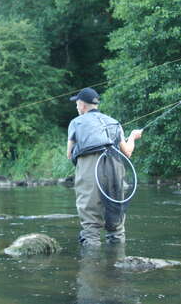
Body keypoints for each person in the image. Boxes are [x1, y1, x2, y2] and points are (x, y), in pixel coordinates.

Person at [67, 87, 143, 247]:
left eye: (76, 104)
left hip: (90, 169)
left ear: (81, 105)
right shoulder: (114, 122)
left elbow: (69, 154)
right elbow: (127, 152)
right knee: (116, 225)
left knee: (91, 224)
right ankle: (117, 264)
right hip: (115, 168)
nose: (76, 107)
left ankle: (91, 267)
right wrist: (134, 137)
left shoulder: (76, 122)